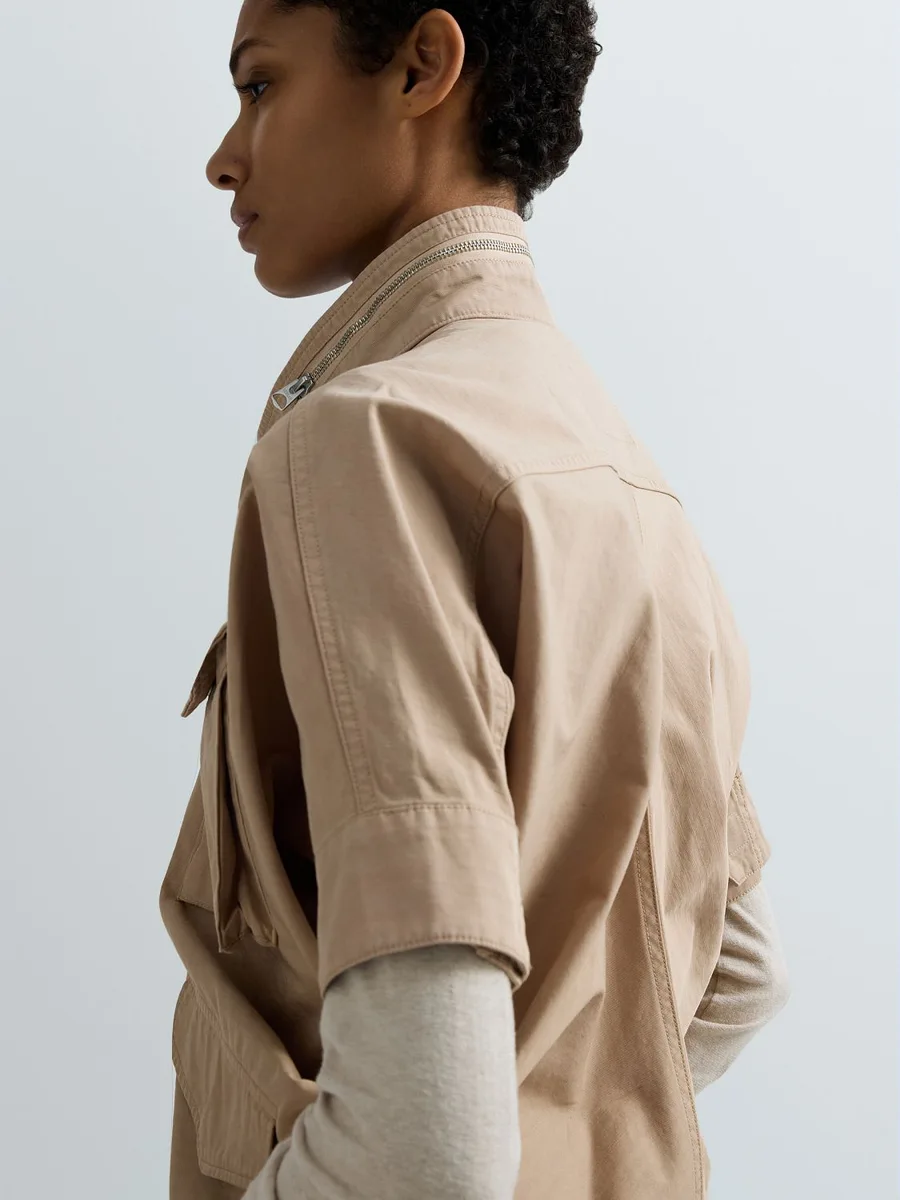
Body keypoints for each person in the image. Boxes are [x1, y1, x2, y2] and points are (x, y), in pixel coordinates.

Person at [158, 2, 791, 1197]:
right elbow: (734, 973)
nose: (224, 157)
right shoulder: (619, 467)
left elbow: (421, 1153)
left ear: (422, 66)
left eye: (260, 85)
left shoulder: (365, 442)